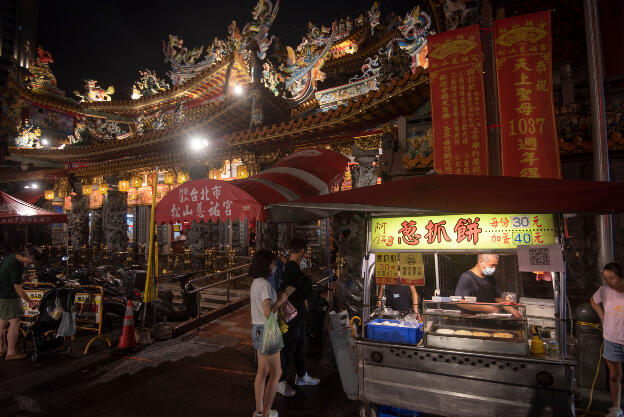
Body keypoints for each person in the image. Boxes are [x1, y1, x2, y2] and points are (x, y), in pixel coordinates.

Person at [276, 238, 320, 397]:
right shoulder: (291, 268)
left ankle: (302, 375)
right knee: (289, 346)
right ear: (302, 251)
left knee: (300, 343)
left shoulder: (292, 266)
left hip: (298, 313)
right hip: (293, 314)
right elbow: (289, 289)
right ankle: (280, 381)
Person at [250, 249, 289, 417]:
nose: (274, 265)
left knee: (262, 372)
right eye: (272, 263)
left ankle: (259, 411)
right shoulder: (265, 284)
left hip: (257, 330)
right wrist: (280, 301)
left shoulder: (256, 282)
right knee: (276, 374)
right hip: (267, 331)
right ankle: (266, 413)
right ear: (266, 265)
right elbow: (268, 313)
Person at [590, 263, 624, 417]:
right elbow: (593, 300)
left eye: (612, 278)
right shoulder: (604, 291)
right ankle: (616, 408)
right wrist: (602, 316)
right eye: (606, 279)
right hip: (611, 337)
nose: (609, 282)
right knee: (614, 375)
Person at [0, 244, 42, 360]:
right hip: (9, 297)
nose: (32, 264)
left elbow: (11, 277)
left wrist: (24, 277)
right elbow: (18, 289)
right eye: (33, 261)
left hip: (2, 295)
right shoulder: (15, 265)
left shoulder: (12, 258)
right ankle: (11, 352)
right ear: (29, 257)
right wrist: (31, 302)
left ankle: (1, 349)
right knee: (15, 323)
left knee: (2, 323)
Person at [455, 254, 522, 318]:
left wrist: (512, 310)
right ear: (480, 261)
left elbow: (498, 298)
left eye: (496, 266)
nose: (494, 268)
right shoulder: (466, 277)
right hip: (471, 321)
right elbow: (460, 302)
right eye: (492, 265)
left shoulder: (489, 278)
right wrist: (486, 308)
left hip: (489, 319)